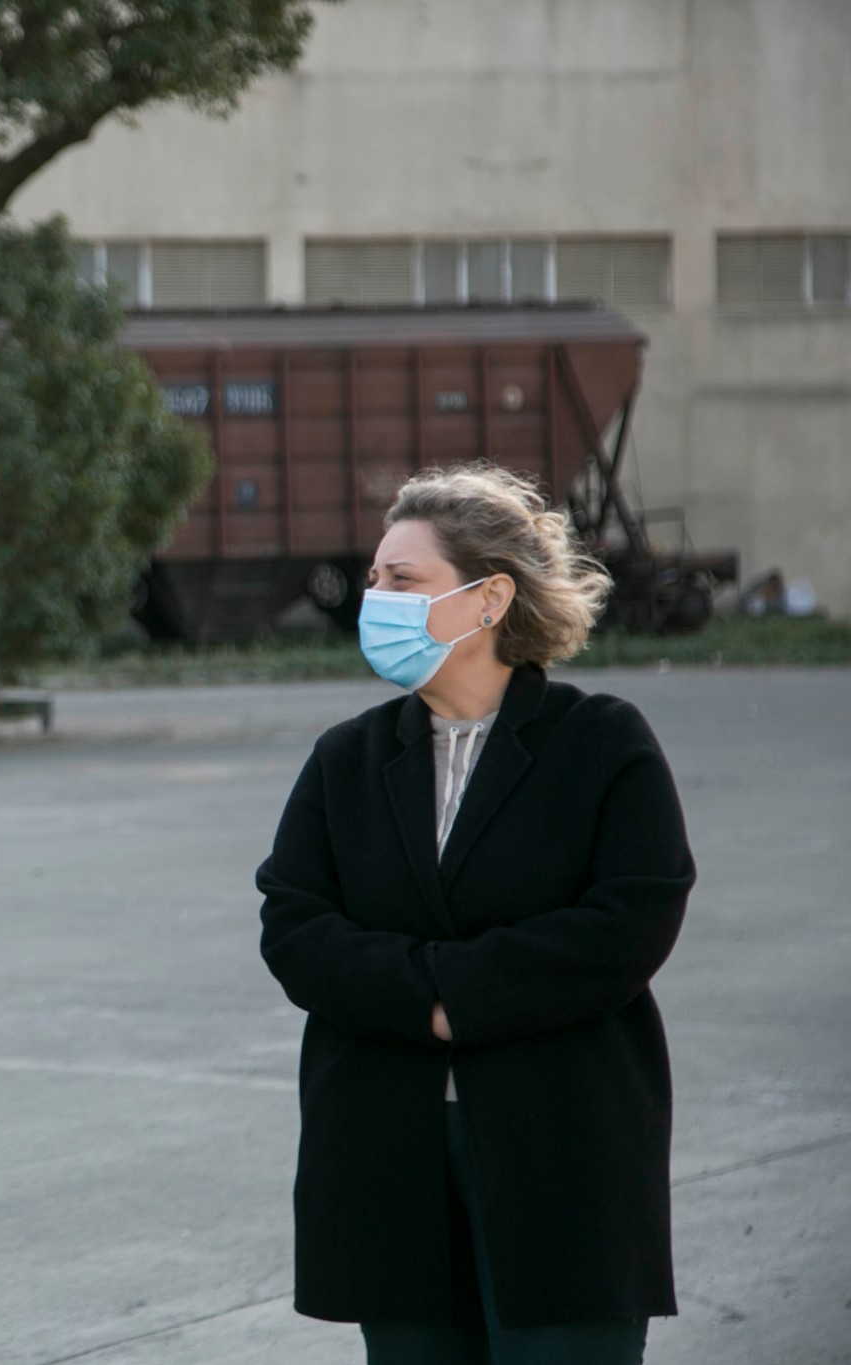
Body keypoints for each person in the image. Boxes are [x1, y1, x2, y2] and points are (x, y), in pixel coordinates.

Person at [257, 463, 695, 1365]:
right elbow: (295, 925)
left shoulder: (601, 742)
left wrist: (450, 998)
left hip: (561, 1150)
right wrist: (431, 1000)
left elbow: (627, 924)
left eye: (402, 579)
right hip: (389, 1152)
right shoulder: (346, 759)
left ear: (488, 598)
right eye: (374, 579)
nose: (375, 599)